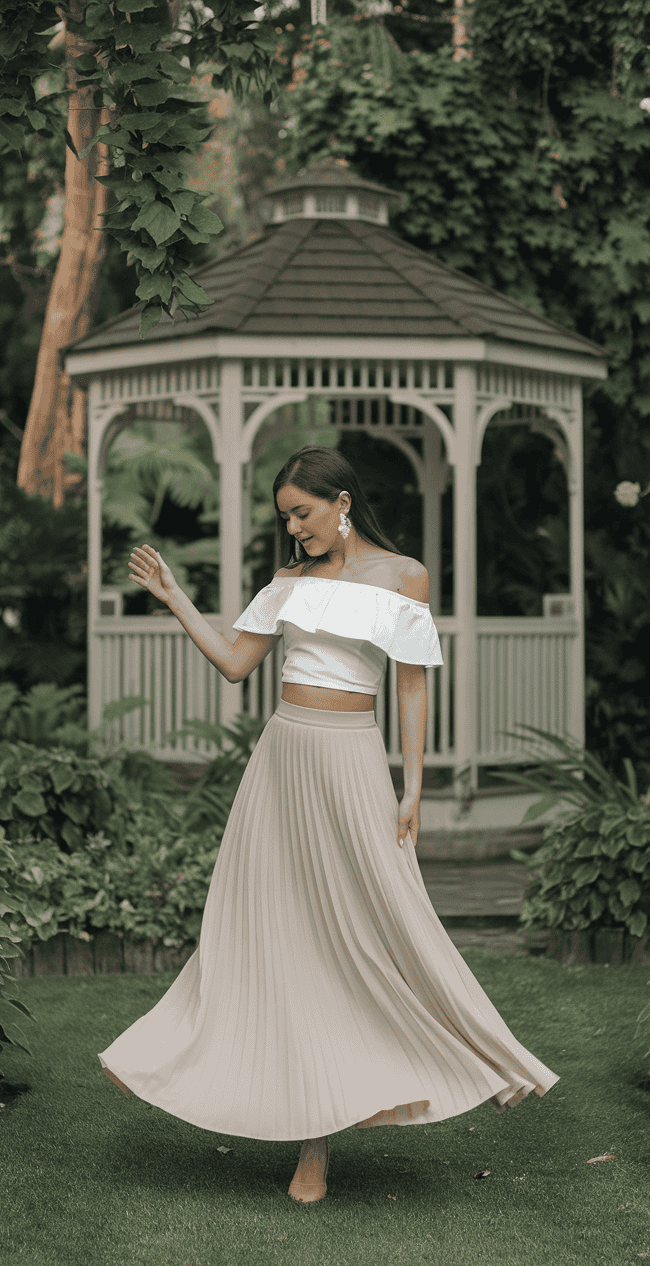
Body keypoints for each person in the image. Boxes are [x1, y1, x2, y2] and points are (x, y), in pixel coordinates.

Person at [98, 445, 559, 1205]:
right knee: (277, 940)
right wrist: (175, 595)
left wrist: (412, 788)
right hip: (280, 765)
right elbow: (235, 664)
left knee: (386, 926)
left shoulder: (405, 577)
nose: (294, 528)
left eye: (302, 513)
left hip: (351, 764)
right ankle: (297, 1137)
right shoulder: (286, 583)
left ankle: (481, 1056)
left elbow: (412, 686)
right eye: (284, 517)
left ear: (340, 502)